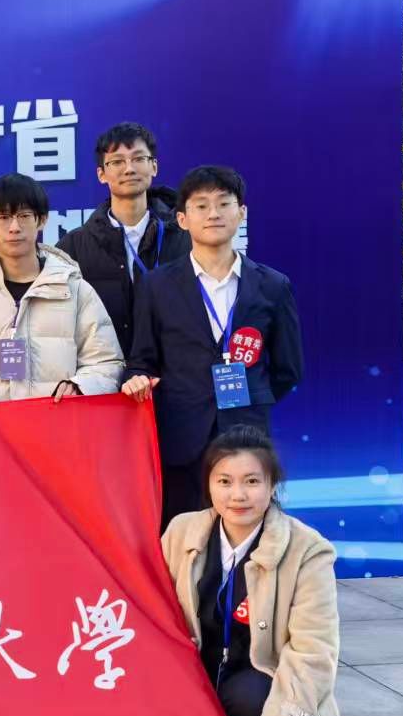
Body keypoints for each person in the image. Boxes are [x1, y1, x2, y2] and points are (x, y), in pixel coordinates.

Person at [125, 426, 350, 716]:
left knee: (250, 696)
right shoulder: (181, 531)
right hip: (192, 683)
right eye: (224, 481)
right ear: (209, 485)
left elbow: (314, 651)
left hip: (261, 689)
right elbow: (150, 617)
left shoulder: (308, 549)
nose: (238, 495)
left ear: (272, 485)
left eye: (252, 482)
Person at [122, 165, 303, 525]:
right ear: (183, 219)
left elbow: (288, 370)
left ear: (242, 212)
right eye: (201, 206)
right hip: (181, 439)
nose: (213, 214)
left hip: (247, 437)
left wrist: (248, 399)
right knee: (184, 536)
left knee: (249, 533)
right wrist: (136, 378)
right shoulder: (156, 286)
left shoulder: (272, 285)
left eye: (224, 203)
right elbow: (142, 359)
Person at [0, 173, 123, 407]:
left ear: (41, 220)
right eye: (4, 217)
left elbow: (106, 363)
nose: (14, 227)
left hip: (57, 425)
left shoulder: (76, 292)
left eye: (24, 216)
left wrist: (80, 385)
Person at [58, 122, 189, 357]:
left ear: (154, 167)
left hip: (175, 371)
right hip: (104, 371)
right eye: (117, 162)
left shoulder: (186, 237)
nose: (129, 169)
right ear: (101, 174)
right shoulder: (73, 247)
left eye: (138, 159)